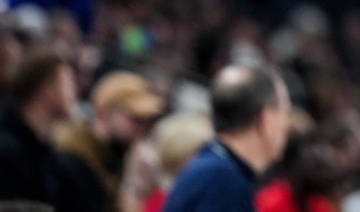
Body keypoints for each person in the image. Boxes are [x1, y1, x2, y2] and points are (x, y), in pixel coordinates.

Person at [163, 64, 291, 212]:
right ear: (266, 119)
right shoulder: (222, 182)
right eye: (285, 112)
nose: (287, 124)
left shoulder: (214, 169)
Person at [55, 70, 165, 212]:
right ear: (104, 113)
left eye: (146, 121)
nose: (142, 128)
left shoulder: (120, 154)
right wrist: (133, 183)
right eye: (135, 119)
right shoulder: (74, 155)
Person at [0, 52, 77, 209]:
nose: (74, 94)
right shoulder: (6, 151)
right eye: (69, 84)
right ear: (47, 89)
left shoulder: (47, 151)